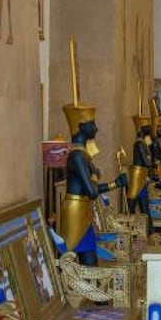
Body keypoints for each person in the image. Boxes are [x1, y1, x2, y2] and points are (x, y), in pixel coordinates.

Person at [61, 101, 127, 267]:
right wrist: (113, 183)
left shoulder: (83, 155)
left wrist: (114, 183)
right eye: (92, 125)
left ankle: (90, 283)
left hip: (84, 210)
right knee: (69, 258)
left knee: (90, 260)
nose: (96, 128)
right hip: (75, 211)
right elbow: (91, 191)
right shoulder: (77, 156)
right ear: (81, 126)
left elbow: (92, 188)